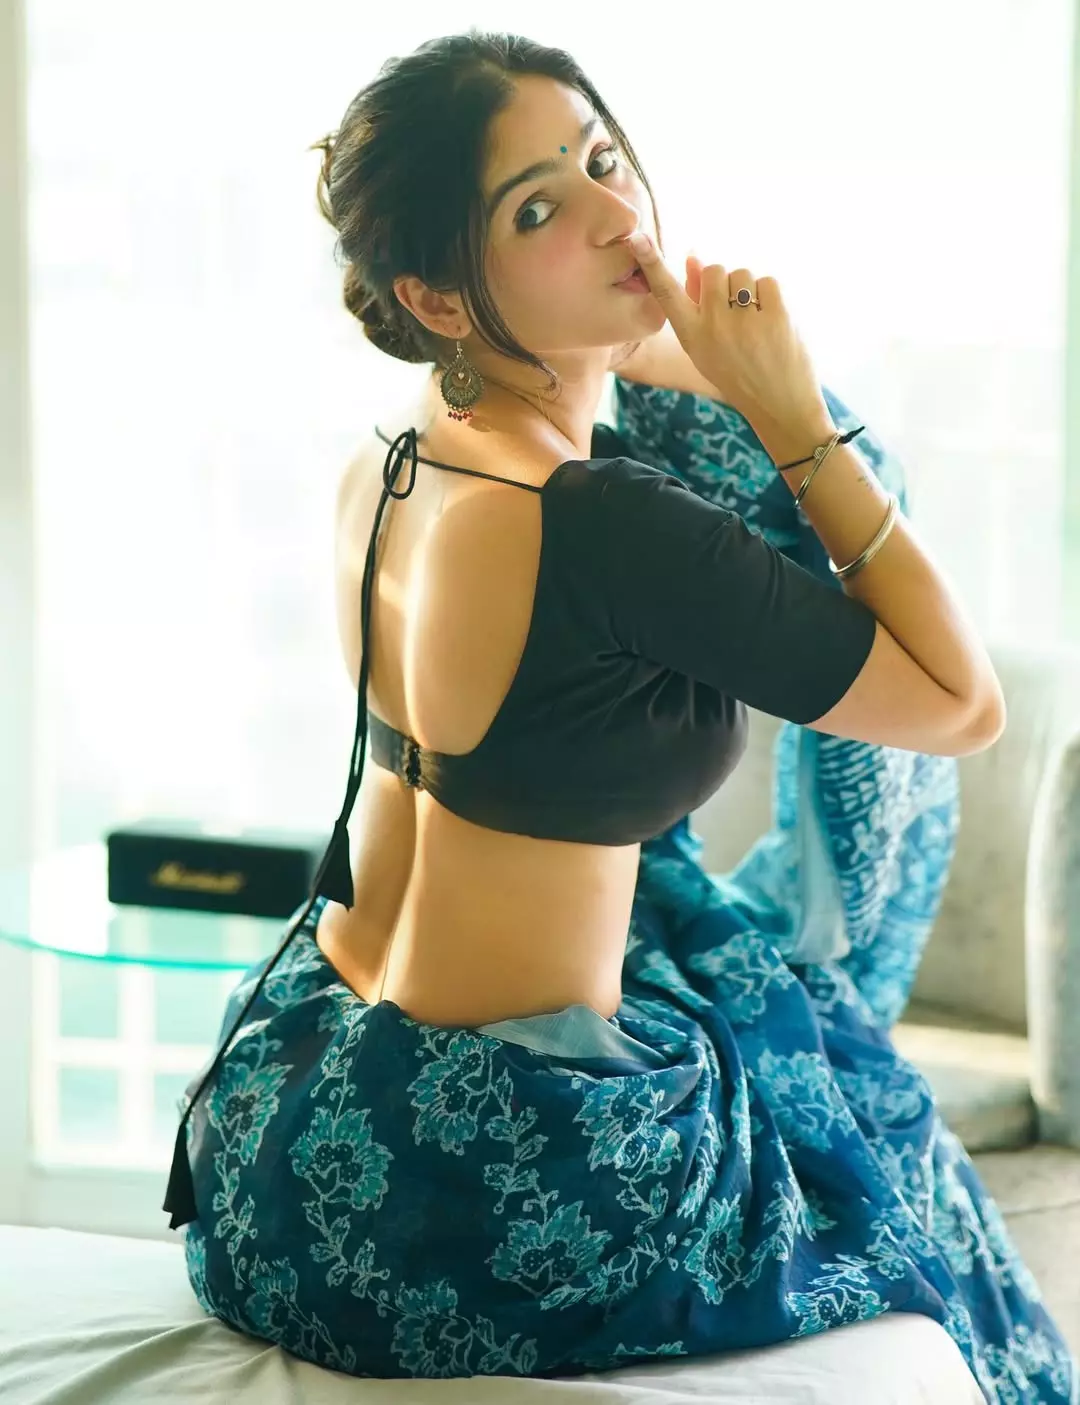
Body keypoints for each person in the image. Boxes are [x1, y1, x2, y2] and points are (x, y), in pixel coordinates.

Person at [164, 29, 1078, 1401]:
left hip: (288, 1126)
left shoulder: (394, 457)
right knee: (887, 1185)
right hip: (489, 1181)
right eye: (537, 209)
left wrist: (661, 345)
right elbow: (961, 704)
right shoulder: (605, 524)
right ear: (438, 293)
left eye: (602, 160)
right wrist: (791, 417)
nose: (614, 214)